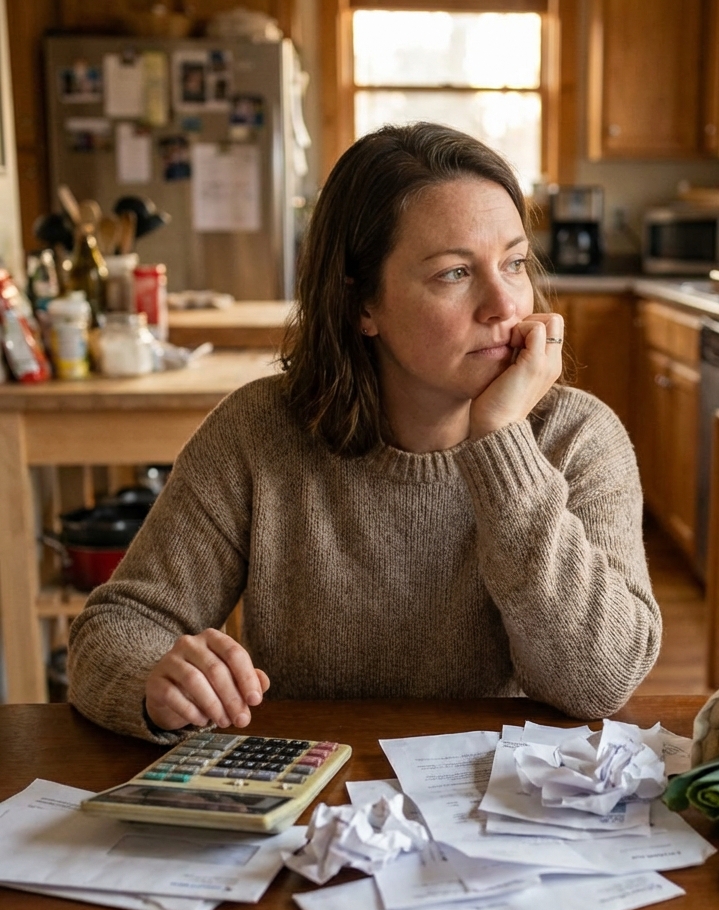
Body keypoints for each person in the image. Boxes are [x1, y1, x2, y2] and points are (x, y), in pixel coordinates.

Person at [68, 122, 662, 743]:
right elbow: (116, 627)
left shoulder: (580, 438)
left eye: (513, 263)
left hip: (501, 812)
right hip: (311, 805)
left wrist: (503, 441)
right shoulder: (258, 434)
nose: (505, 306)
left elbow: (599, 681)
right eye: (455, 273)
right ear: (362, 305)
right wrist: (154, 682)